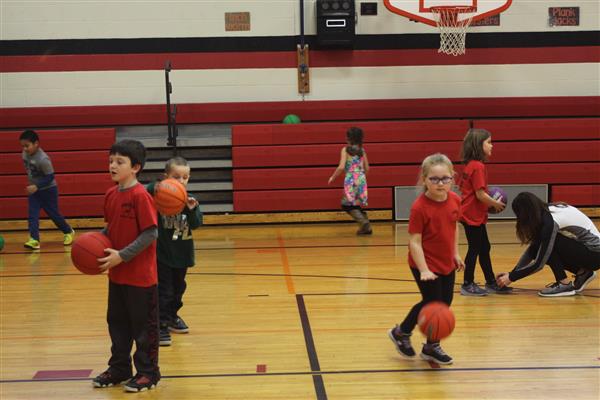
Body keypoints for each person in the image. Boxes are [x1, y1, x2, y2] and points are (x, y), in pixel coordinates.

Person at [92, 139, 161, 392]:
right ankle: (120, 368)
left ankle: (148, 373)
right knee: (117, 324)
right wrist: (94, 244)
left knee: (144, 329)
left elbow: (150, 233)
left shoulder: (141, 196)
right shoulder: (111, 194)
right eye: (111, 160)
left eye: (119, 162)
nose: (112, 165)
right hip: (117, 276)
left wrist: (122, 255)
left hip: (141, 278)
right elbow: (111, 229)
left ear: (135, 167)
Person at [388, 153, 464, 365]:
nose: (440, 183)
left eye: (445, 178)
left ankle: (427, 345)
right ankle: (404, 333)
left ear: (452, 178)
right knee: (432, 303)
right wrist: (424, 269)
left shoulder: (455, 200)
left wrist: (455, 253)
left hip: (445, 262)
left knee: (445, 303)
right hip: (424, 263)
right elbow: (414, 242)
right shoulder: (420, 207)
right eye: (434, 179)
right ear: (424, 179)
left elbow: (454, 227)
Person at [496, 192, 599, 297]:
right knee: (542, 244)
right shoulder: (547, 211)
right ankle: (583, 273)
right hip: (590, 252)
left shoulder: (550, 221)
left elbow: (539, 264)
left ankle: (564, 284)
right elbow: (532, 250)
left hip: (594, 254)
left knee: (549, 244)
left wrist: (512, 277)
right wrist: (511, 273)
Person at [146, 157, 203, 347]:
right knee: (165, 291)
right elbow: (147, 188)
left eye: (185, 177)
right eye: (176, 177)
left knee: (179, 290)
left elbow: (196, 224)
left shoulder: (189, 200)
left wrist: (192, 210)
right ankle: (159, 324)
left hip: (183, 254)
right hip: (162, 255)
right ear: (166, 177)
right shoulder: (159, 197)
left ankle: (171, 317)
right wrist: (160, 186)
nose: (181, 181)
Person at [458, 128, 511, 296]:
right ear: (478, 145)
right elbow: (480, 194)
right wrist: (495, 204)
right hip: (471, 215)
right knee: (474, 248)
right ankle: (467, 284)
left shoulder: (470, 165)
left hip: (472, 214)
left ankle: (490, 281)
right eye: (488, 142)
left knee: (484, 247)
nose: (492, 145)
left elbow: (463, 188)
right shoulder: (478, 167)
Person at [19, 129, 75, 250]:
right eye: (22, 146)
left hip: (48, 190)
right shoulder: (24, 154)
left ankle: (68, 231)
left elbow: (50, 177)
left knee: (54, 214)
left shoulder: (43, 159)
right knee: (32, 215)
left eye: (27, 146)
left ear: (36, 144)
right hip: (35, 191)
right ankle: (34, 240)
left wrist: (37, 185)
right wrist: (33, 185)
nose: (24, 149)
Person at [328, 127, 371, 235]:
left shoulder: (345, 150)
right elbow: (367, 168)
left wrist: (333, 177)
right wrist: (361, 178)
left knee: (346, 204)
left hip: (351, 179)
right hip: (361, 178)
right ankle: (366, 226)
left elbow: (341, 167)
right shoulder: (362, 150)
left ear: (349, 138)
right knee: (355, 203)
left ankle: (363, 222)